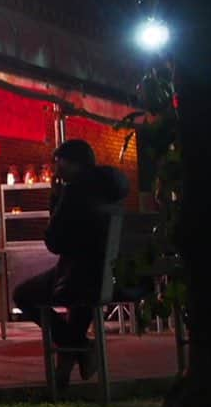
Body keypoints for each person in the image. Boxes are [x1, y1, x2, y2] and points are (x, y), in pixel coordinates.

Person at [13, 139, 129, 388]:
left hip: (79, 278)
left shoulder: (74, 192)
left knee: (23, 295)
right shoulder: (113, 191)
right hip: (114, 277)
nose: (56, 170)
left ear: (73, 163)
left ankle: (80, 347)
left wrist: (55, 199)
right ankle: (68, 365)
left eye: (59, 163)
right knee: (79, 295)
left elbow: (55, 243)